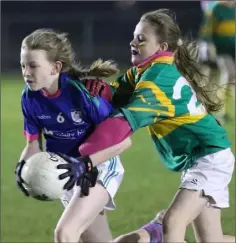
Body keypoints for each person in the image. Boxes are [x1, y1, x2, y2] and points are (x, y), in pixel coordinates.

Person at [58, 9, 235, 242]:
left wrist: (84, 157)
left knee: (174, 222)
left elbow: (121, 126)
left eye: (141, 39)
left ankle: (157, 230)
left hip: (209, 157)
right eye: (134, 36)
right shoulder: (144, 71)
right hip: (199, 157)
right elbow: (114, 97)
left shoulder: (157, 79)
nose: (133, 42)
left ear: (161, 47)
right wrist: (96, 91)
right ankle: (156, 230)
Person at [14, 28, 130, 243]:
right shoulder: (29, 97)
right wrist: (22, 166)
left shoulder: (83, 93)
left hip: (97, 168)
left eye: (33, 66)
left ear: (55, 67)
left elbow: (123, 141)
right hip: (67, 175)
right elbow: (32, 143)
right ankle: (152, 234)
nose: (26, 72)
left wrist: (85, 165)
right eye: (23, 65)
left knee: (64, 233)